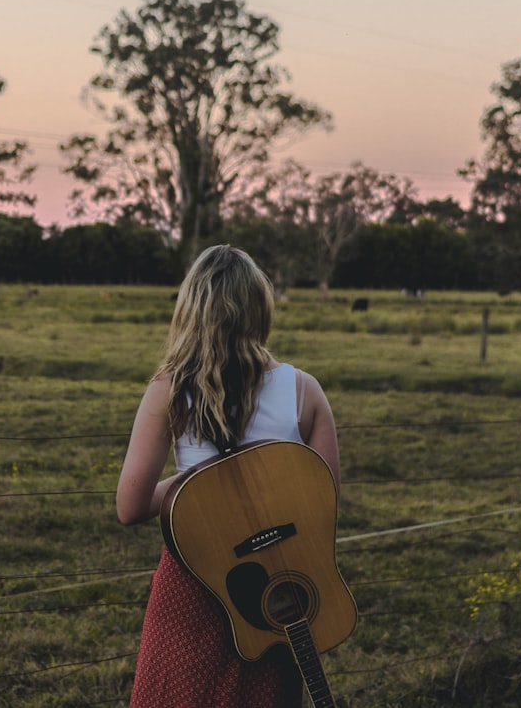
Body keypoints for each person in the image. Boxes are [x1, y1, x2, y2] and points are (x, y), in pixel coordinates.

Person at [116, 244, 341, 708]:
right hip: (275, 590)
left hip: (193, 579)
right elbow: (324, 505)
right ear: (260, 309)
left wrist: (197, 486)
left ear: (191, 309)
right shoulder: (304, 391)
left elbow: (130, 506)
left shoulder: (169, 390)